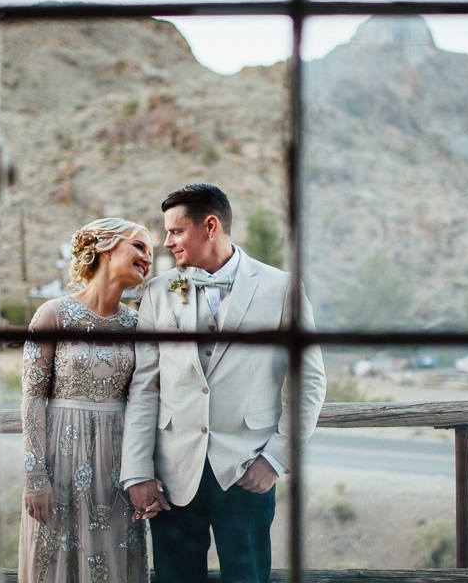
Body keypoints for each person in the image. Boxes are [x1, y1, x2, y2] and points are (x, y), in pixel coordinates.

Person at [120, 183, 327, 583]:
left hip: (247, 470)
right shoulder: (158, 292)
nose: (167, 243)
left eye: (176, 231)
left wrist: (276, 458)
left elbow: (311, 382)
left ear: (211, 226)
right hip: (172, 474)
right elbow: (144, 388)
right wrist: (137, 471)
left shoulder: (281, 289)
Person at [18, 218, 155, 583]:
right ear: (107, 248)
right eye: (139, 247)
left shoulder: (138, 324)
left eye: (152, 252)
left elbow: (147, 399)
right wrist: (35, 478)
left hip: (118, 465)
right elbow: (31, 400)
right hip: (59, 461)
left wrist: (144, 471)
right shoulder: (54, 314)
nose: (148, 257)